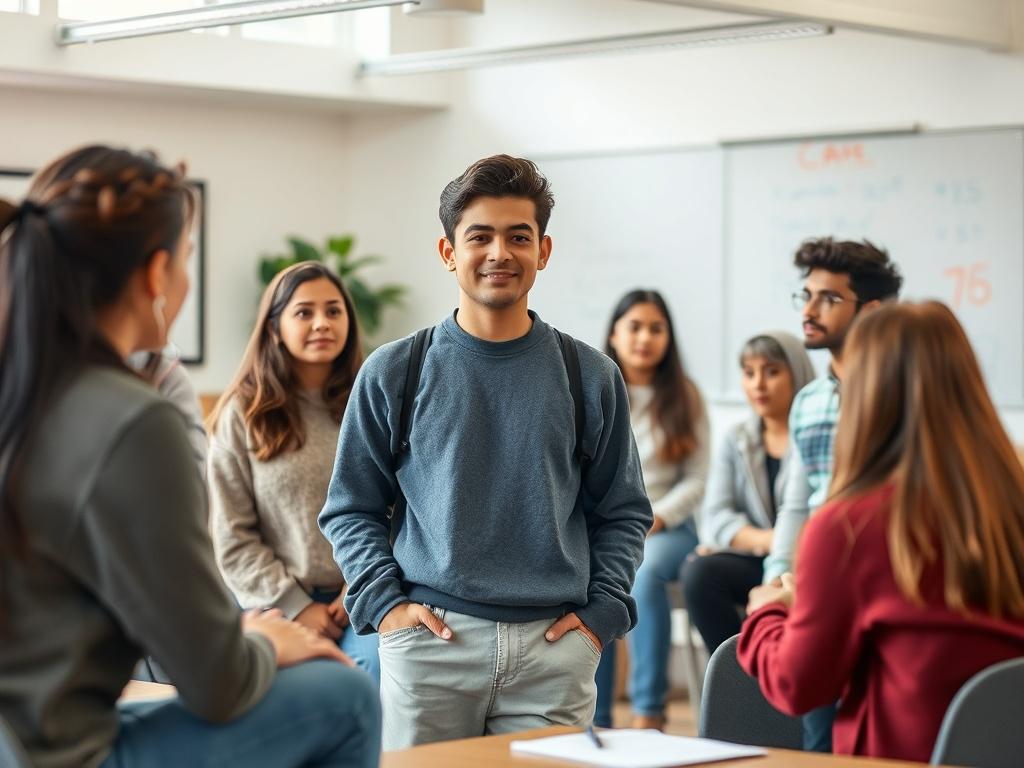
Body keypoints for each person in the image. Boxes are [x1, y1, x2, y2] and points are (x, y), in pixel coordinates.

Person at [0, 145, 380, 768]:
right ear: (156, 275)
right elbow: (217, 681)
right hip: (63, 755)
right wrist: (262, 636)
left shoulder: (28, 389)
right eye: (187, 260)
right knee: (344, 696)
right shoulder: (134, 419)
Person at [319, 154, 652, 749]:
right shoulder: (395, 371)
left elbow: (623, 511)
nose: (500, 252)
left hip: (555, 652)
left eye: (518, 236)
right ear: (449, 252)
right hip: (431, 646)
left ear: (543, 252)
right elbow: (350, 508)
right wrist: (387, 609)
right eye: (480, 236)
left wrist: (601, 617)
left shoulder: (591, 375)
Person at [738, 301, 1024, 763]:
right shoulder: (1010, 500)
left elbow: (797, 686)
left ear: (865, 393)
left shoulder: (848, 527)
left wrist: (769, 615)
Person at [207, 261, 379, 681]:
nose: (322, 323)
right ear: (273, 328)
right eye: (304, 312)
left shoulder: (374, 402)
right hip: (271, 602)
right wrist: (297, 606)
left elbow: (398, 510)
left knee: (374, 672)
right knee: (308, 686)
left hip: (361, 593)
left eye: (333, 311)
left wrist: (359, 584)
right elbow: (232, 537)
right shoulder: (242, 414)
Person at [764, 237, 902, 752]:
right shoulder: (809, 402)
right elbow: (797, 501)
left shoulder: (897, 395)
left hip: (870, 571)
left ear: (871, 311)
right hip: (816, 568)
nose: (810, 310)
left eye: (828, 298)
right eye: (806, 295)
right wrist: (776, 574)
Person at [593, 289, 709, 731]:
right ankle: (597, 717)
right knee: (594, 579)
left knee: (643, 574)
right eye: (635, 327)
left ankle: (648, 711)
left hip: (669, 528)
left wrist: (652, 518)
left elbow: (697, 480)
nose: (645, 338)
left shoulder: (685, 396)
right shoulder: (596, 386)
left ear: (668, 337)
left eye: (655, 328)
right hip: (607, 526)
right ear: (614, 334)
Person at [680, 331, 814, 656]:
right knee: (700, 573)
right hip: (760, 557)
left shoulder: (817, 433)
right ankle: (741, 681)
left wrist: (782, 547)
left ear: (797, 373)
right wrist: (773, 541)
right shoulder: (736, 438)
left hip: (809, 561)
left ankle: (779, 681)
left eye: (772, 371)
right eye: (749, 372)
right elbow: (716, 517)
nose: (758, 384)